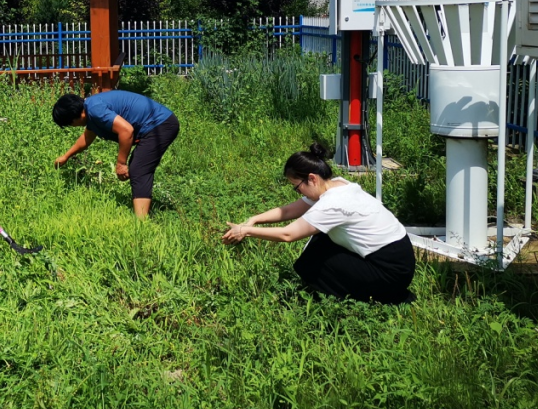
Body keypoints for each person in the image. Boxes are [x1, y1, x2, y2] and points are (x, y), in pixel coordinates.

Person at [222, 143, 415, 304]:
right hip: (399, 258)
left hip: (391, 271)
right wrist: (255, 219)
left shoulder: (333, 205)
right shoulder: (337, 185)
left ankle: (378, 297)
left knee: (313, 260)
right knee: (319, 242)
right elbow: (289, 211)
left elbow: (287, 235)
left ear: (312, 179)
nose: (298, 193)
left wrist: (246, 231)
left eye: (297, 188)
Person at [52, 90, 179, 217]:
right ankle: (142, 215)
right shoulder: (91, 108)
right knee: (138, 166)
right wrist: (66, 156)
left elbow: (126, 130)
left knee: (139, 169)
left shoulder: (95, 109)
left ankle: (141, 222)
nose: (73, 126)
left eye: (70, 123)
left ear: (77, 116)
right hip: (159, 124)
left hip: (160, 124)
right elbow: (86, 139)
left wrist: (121, 163)